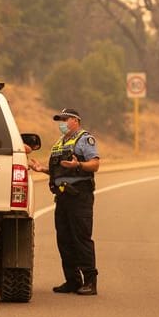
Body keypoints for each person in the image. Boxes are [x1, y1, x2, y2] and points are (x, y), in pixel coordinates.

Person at [29, 108, 100, 295]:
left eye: (65, 119)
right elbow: (58, 171)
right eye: (60, 120)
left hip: (79, 195)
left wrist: (79, 165)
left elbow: (95, 164)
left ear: (75, 120)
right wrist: (41, 169)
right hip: (62, 197)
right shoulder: (60, 143)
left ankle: (90, 282)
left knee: (81, 239)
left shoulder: (84, 139)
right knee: (64, 240)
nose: (62, 123)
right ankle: (72, 280)